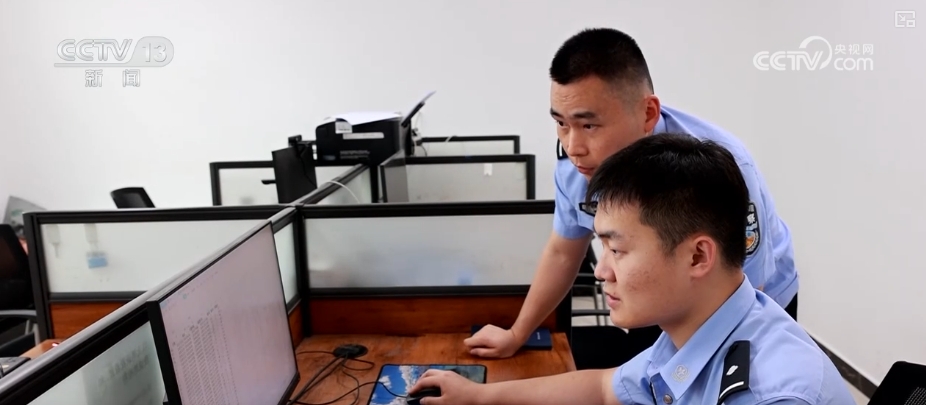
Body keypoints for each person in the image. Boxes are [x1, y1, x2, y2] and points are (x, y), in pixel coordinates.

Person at [409, 133, 852, 405]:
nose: (601, 271)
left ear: (698, 257)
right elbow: (605, 389)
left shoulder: (773, 395)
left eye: (617, 250)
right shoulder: (703, 326)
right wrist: (478, 396)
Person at [465, 27, 799, 361]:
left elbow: (745, 290)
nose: (573, 146)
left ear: (648, 113)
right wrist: (517, 334)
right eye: (562, 124)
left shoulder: (718, 167)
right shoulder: (576, 168)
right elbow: (563, 253)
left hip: (752, 300)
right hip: (657, 289)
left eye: (589, 125)